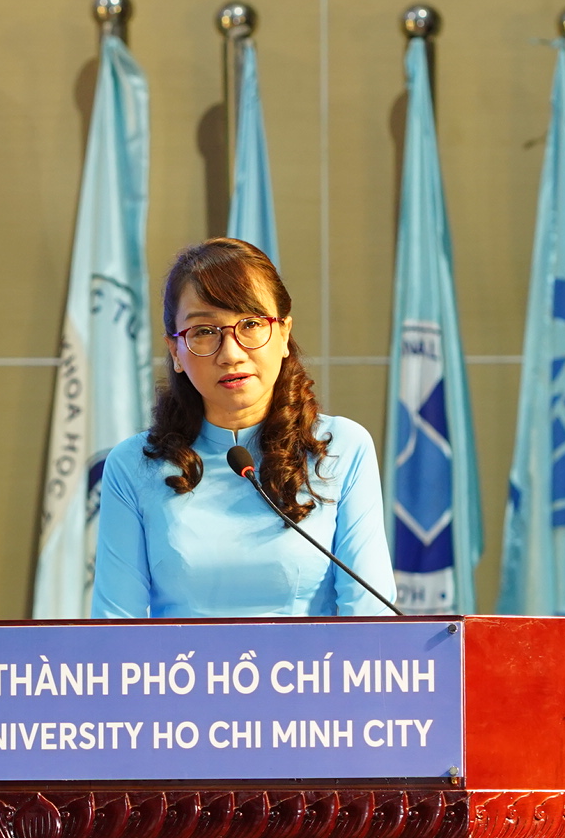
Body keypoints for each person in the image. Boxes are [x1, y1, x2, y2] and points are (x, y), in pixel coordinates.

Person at [90, 238, 396, 618]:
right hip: (178, 676)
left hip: (317, 675)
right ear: (175, 352)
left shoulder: (340, 448)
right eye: (203, 331)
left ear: (283, 333)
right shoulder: (133, 465)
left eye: (250, 324)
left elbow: (372, 620)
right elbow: (115, 629)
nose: (231, 353)